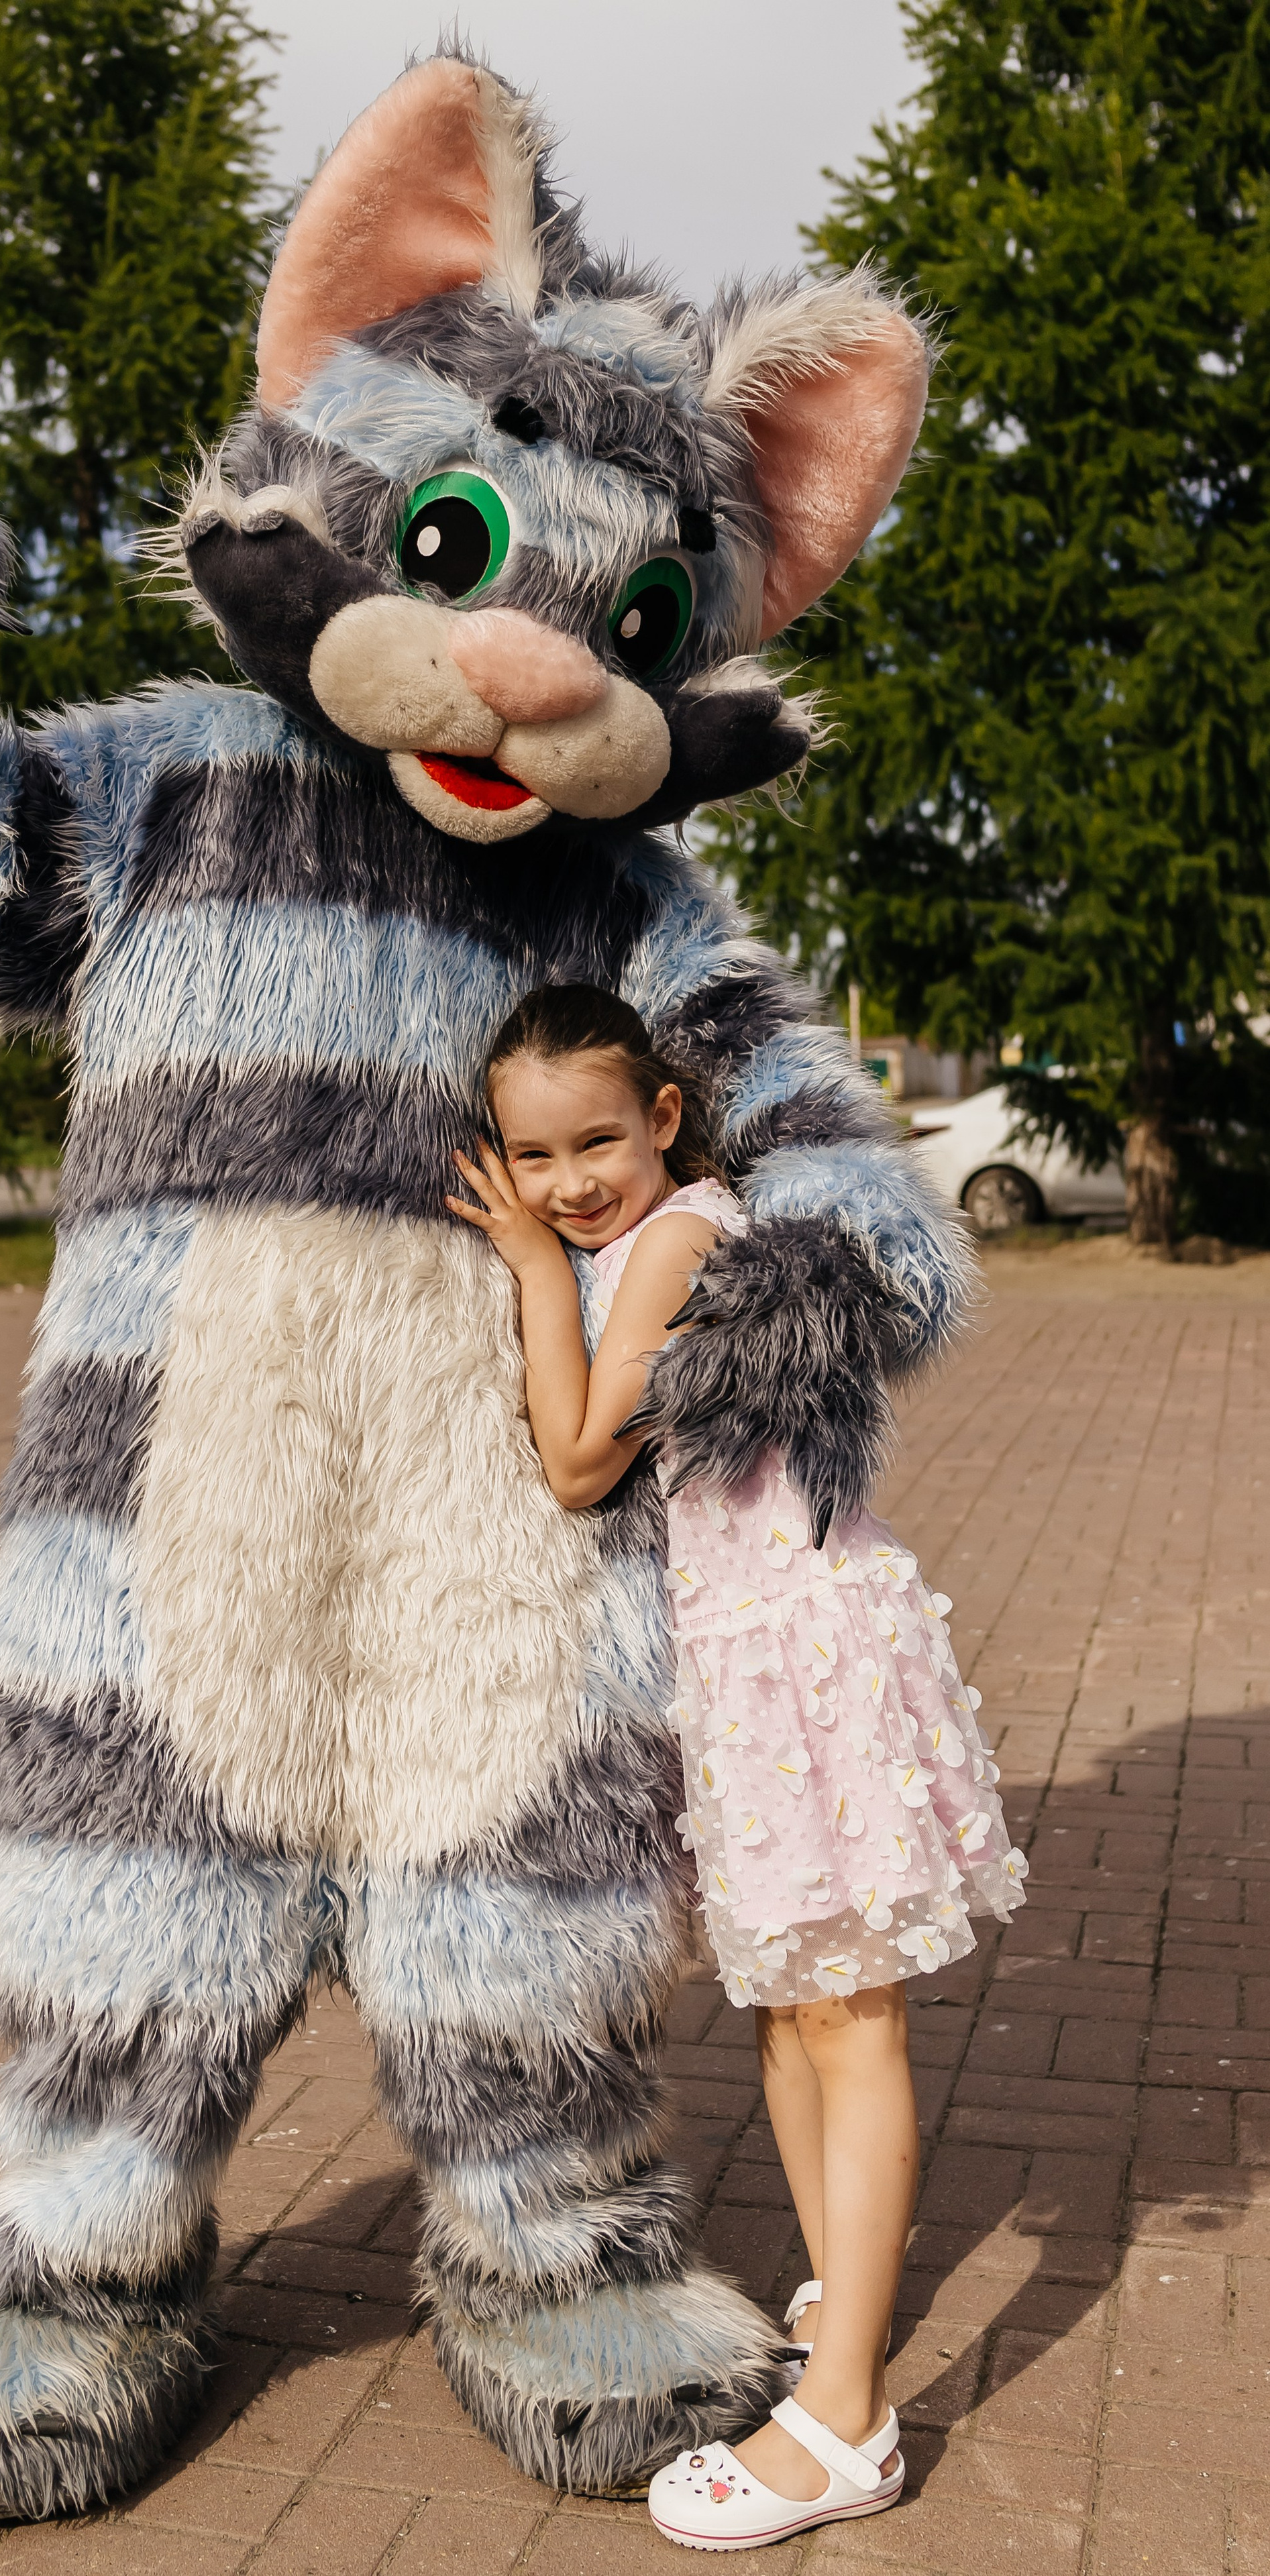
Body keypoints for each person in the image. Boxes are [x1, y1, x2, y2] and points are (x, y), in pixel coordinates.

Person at [449, 982, 1027, 2551]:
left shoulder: (673, 1242)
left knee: (843, 2020)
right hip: (747, 1664)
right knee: (787, 2013)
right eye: (530, 1155)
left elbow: (578, 1460)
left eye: (592, 1142)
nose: (568, 1181)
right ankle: (843, 2308)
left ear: (663, 1118)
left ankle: (846, 2424)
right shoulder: (660, 1226)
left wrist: (522, 1266)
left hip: (794, 1664)